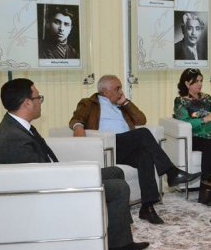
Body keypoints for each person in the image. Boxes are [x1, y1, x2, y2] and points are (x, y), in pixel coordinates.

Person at [0, 78, 149, 250]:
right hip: (53, 191)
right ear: (27, 103)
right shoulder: (14, 138)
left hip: (54, 178)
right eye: (39, 97)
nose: (41, 101)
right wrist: (75, 175)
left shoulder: (18, 126)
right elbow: (40, 179)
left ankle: (122, 239)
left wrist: (73, 170)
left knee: (115, 172)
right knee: (118, 188)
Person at [69, 75, 201, 224]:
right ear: (105, 92)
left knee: (145, 156)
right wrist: (78, 128)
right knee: (143, 133)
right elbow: (76, 119)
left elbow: (141, 119)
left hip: (125, 147)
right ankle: (171, 172)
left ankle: (147, 207)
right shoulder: (89, 103)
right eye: (117, 88)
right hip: (107, 147)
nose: (121, 91)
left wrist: (125, 103)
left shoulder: (121, 106)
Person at [173, 69, 211, 205]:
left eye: (201, 81)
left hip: (208, 137)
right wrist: (206, 119)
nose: (200, 84)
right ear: (187, 83)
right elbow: (185, 122)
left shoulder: (207, 98)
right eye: (196, 81)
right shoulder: (180, 101)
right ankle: (206, 189)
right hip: (193, 137)